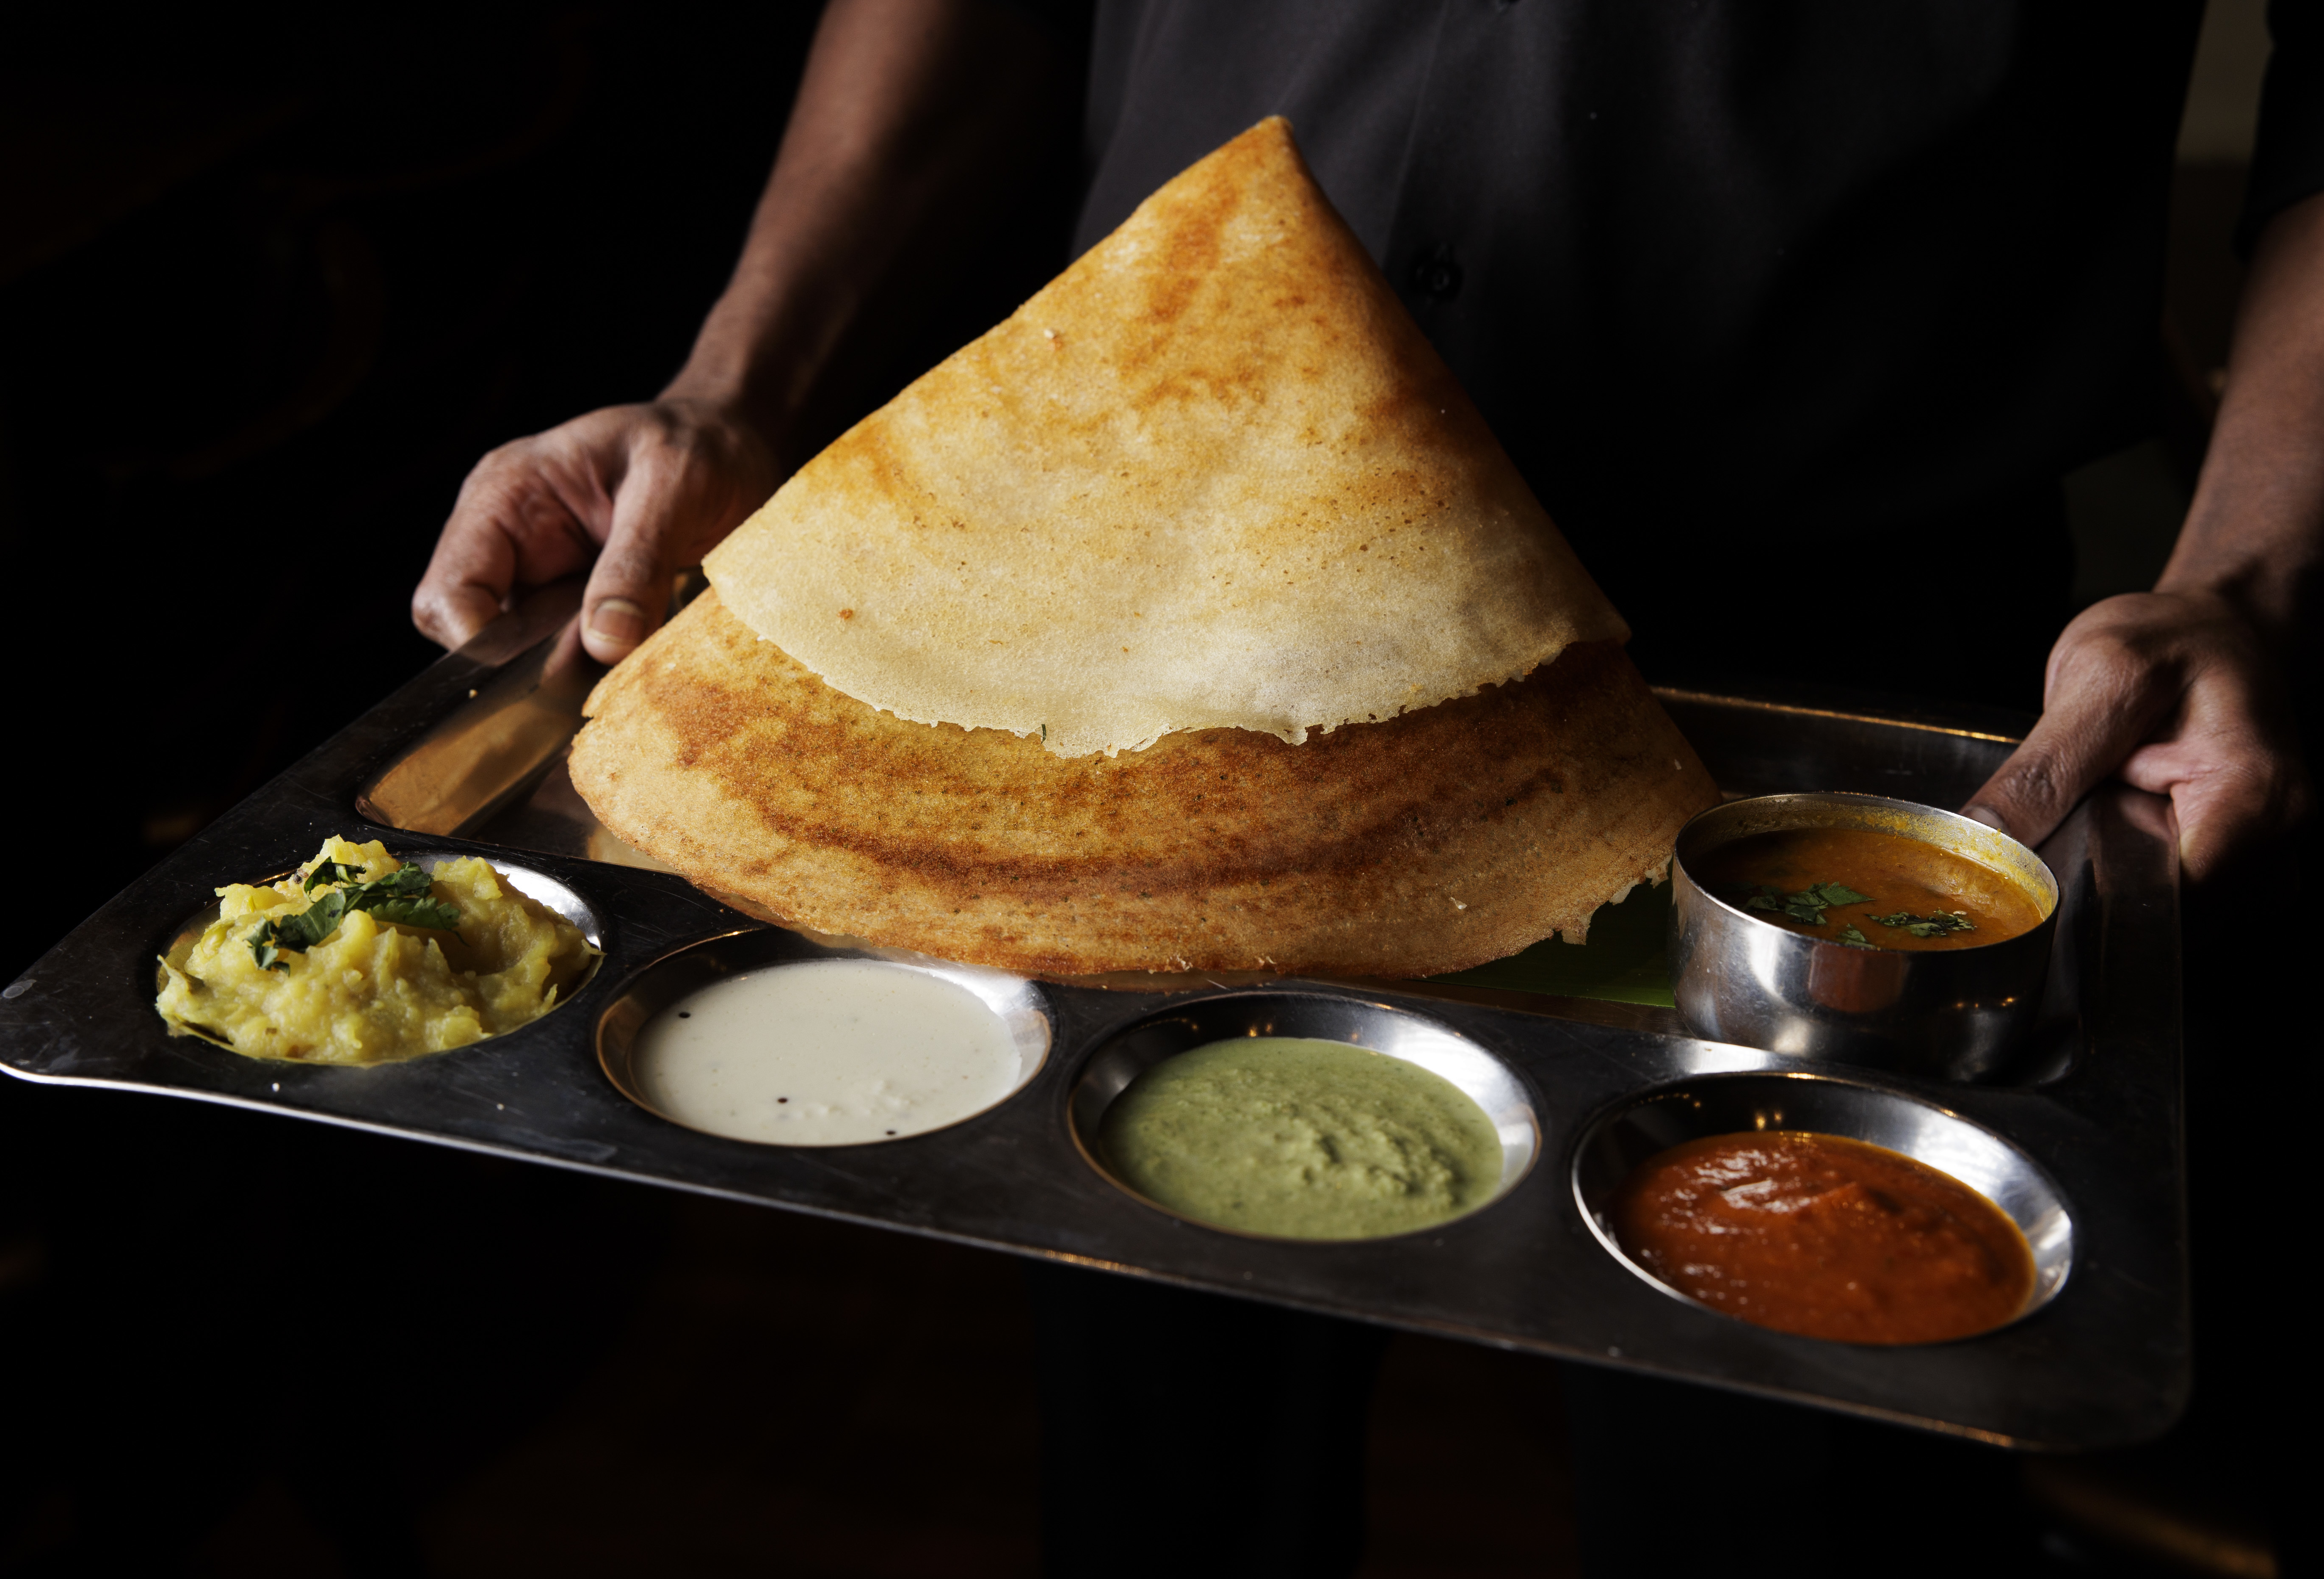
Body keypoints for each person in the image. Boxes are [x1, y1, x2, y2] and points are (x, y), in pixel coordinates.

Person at [411, 3, 2318, 1571]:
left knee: (1793, 1520)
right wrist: (737, 386)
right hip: (1137, 665)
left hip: (1841, 698)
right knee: (1168, 1492)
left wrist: (2241, 566)